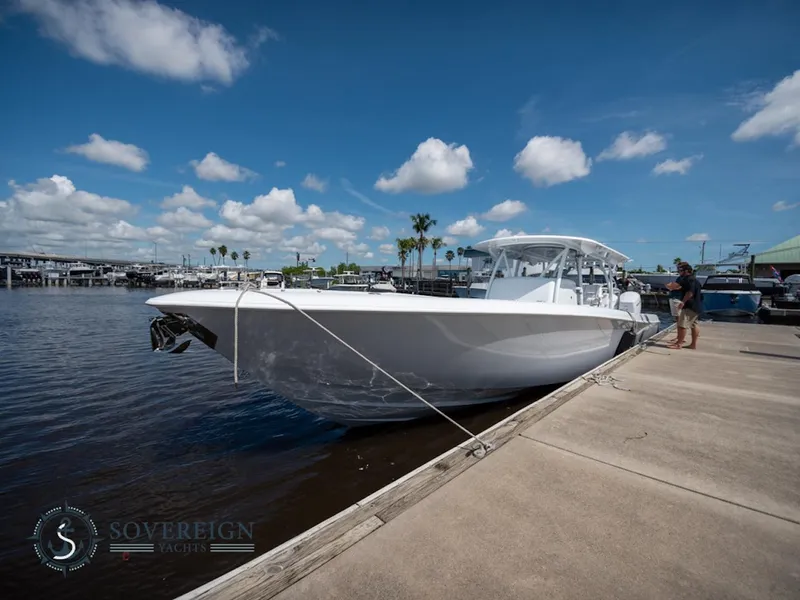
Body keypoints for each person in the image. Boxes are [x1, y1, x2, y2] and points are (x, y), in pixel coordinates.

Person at [667, 262, 701, 350]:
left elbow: (690, 292)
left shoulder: (689, 279)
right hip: (696, 305)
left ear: (686, 271)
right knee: (694, 325)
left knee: (682, 324)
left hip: (689, 305)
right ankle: (693, 344)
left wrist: (683, 302)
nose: (679, 271)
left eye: (680, 270)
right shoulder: (693, 279)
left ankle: (679, 344)